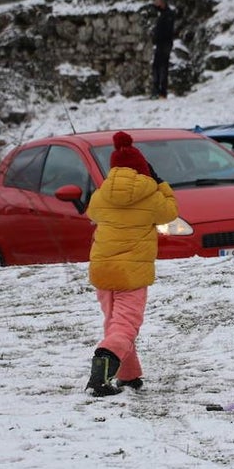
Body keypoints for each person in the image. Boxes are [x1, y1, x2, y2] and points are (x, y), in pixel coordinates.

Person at [85, 131, 179, 397]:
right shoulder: (151, 195)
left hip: (102, 269)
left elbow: (91, 212)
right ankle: (101, 372)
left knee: (115, 323)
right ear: (143, 168)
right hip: (131, 273)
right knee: (126, 324)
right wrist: (160, 184)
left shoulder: (102, 194)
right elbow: (171, 212)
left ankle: (128, 375)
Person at [151, 0, 176, 99]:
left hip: (165, 43)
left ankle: (162, 91)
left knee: (162, 67)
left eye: (157, 1)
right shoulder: (162, 13)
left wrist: (159, 38)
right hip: (160, 43)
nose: (155, 3)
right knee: (157, 66)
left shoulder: (168, 14)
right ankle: (157, 90)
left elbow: (167, 30)